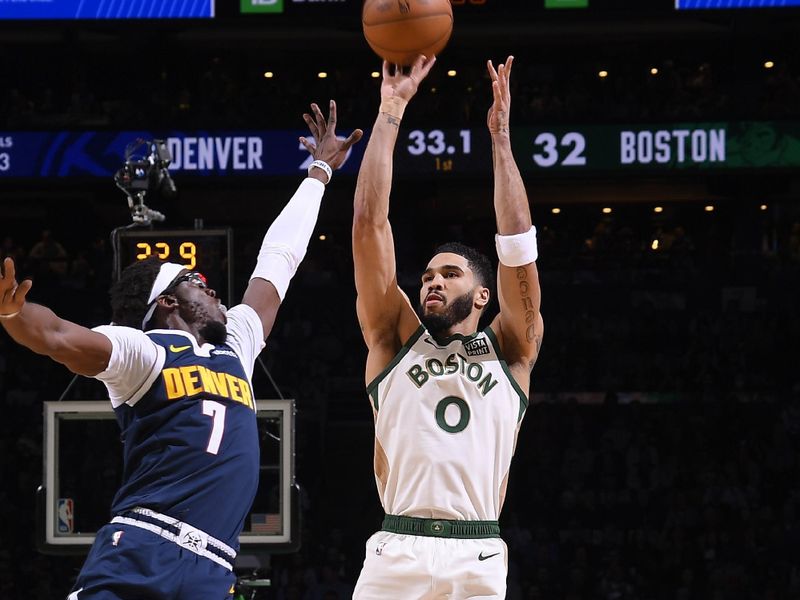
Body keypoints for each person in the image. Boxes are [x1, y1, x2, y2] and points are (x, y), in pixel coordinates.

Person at [0, 100, 362, 600]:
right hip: (143, 547)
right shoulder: (142, 351)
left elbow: (279, 258)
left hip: (215, 565)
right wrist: (14, 316)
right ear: (167, 301)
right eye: (198, 283)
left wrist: (318, 172)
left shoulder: (236, 342)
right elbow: (58, 336)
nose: (214, 291)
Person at [351, 55, 543, 598]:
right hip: (397, 546)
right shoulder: (393, 339)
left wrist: (502, 143)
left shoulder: (512, 351)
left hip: (477, 549)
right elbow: (369, 224)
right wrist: (391, 111)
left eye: (450, 274)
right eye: (429, 275)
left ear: (484, 294)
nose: (432, 282)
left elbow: (518, 249)